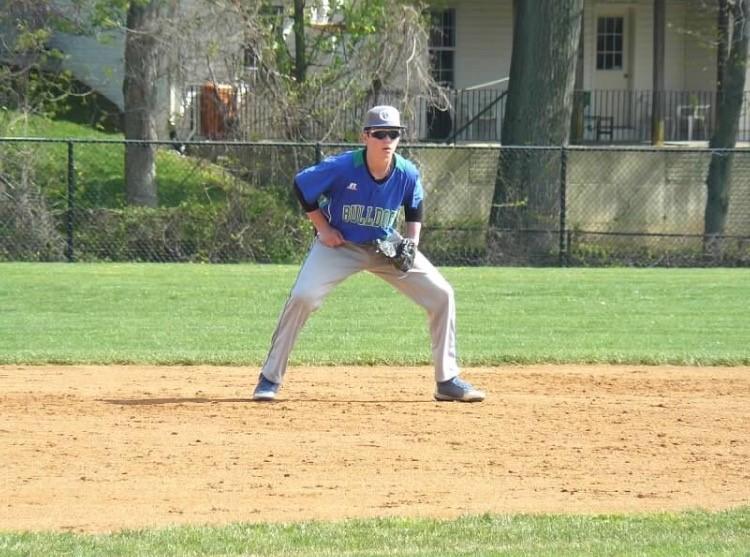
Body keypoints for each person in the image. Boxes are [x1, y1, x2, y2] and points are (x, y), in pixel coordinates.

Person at [253, 105, 485, 403]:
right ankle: (270, 378)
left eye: (394, 134)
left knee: (442, 294)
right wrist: (322, 228)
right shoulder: (344, 167)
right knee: (303, 296)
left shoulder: (406, 172)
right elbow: (302, 185)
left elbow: (414, 207)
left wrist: (411, 244)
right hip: (340, 246)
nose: (387, 140)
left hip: (384, 245)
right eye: (380, 134)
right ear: (366, 136)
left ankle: (447, 380)